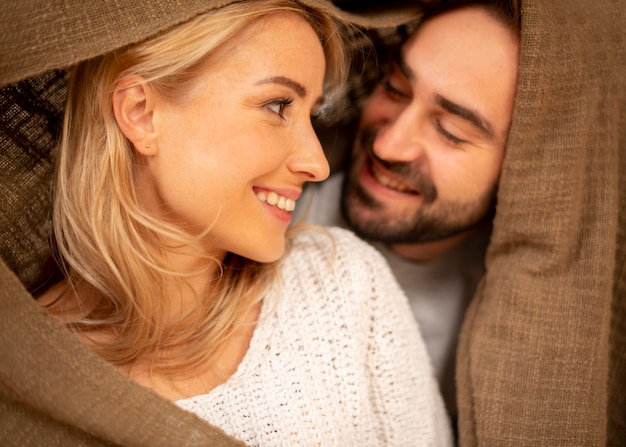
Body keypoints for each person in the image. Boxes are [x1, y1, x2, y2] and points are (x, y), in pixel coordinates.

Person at [27, 0, 451, 445]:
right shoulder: (28, 376)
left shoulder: (339, 283)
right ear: (141, 114)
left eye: (312, 114)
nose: (317, 163)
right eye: (277, 105)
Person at [298, 0, 521, 422]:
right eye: (396, 88)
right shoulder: (280, 212)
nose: (387, 145)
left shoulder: (505, 340)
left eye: (450, 131)